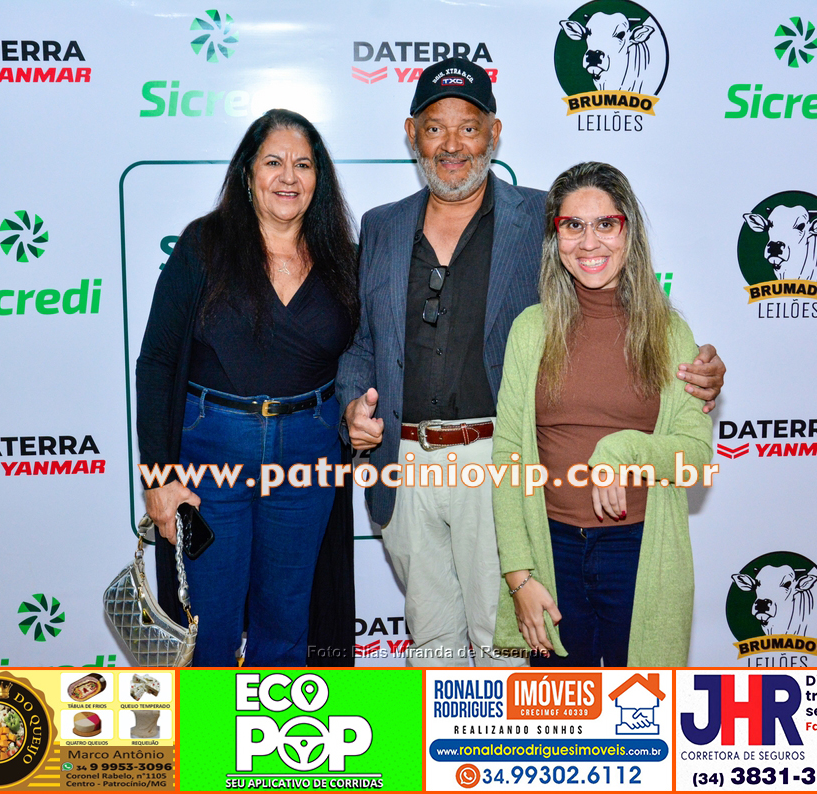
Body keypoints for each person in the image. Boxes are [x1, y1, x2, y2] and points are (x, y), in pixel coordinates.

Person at [336, 58, 726, 668]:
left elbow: (616, 303)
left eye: (469, 128)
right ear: (412, 135)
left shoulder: (544, 218)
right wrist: (352, 404)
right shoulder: (381, 227)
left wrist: (699, 368)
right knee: (432, 645)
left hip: (496, 459)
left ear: (494, 134)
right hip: (403, 464)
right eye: (435, 128)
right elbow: (364, 342)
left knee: (506, 649)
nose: (452, 145)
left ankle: (507, 737)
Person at [136, 108, 358, 666]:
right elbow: (157, 362)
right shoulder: (204, 244)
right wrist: (158, 477)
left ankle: (275, 723)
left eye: (303, 164)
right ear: (247, 172)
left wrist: (360, 409)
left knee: (286, 621)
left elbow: (361, 354)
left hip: (308, 454)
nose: (288, 177)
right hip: (212, 453)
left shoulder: (341, 256)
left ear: (319, 178)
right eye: (273, 162)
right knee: (207, 626)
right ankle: (212, 725)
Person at [491, 161, 712, 667]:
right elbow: (508, 458)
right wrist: (519, 577)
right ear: (556, 239)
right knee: (561, 710)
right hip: (550, 550)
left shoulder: (670, 333)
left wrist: (621, 450)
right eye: (573, 225)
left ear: (629, 232)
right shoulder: (530, 329)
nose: (589, 242)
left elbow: (697, 457)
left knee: (639, 708)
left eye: (605, 224)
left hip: (639, 550)